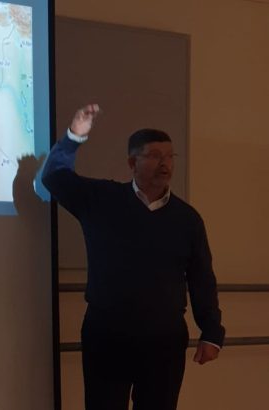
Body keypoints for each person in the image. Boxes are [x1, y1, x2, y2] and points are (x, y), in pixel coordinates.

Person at [42, 104, 225, 410]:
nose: (164, 164)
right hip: (107, 333)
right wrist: (74, 136)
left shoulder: (187, 219)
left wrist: (211, 332)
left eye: (169, 156)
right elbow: (53, 177)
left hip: (164, 338)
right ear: (132, 162)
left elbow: (201, 279)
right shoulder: (101, 200)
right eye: (154, 156)